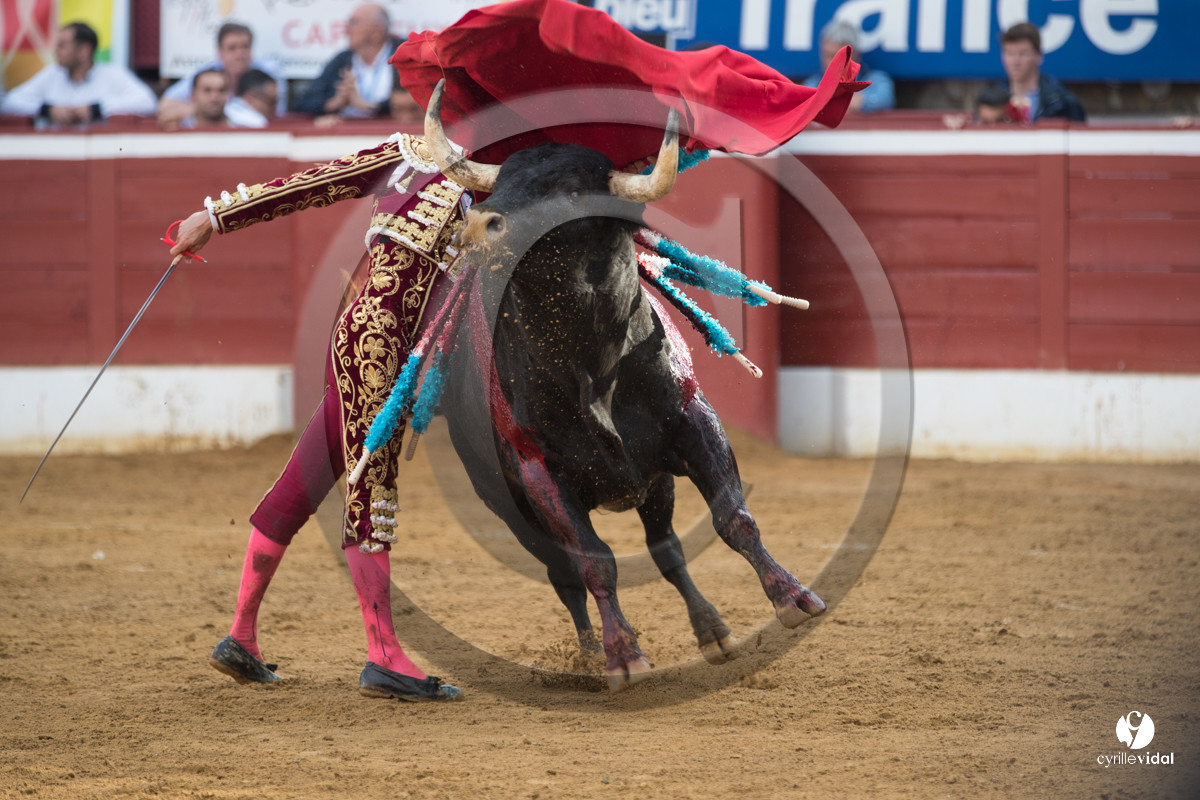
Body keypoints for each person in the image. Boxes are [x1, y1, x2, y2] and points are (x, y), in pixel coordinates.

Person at [169, 130, 468, 701]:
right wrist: (216, 216)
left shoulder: (509, 178)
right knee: (369, 483)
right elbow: (312, 185)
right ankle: (383, 656)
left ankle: (241, 638)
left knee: (304, 481)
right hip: (375, 343)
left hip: (394, 349)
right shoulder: (413, 153)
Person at [0, 22, 156, 126]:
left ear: (84, 51)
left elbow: (148, 102)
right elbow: (9, 103)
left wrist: (97, 109)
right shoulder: (52, 74)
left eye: (63, 46)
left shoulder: (112, 74)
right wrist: (48, 110)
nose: (56, 51)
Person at [158, 22, 287, 130]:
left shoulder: (267, 74)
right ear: (220, 52)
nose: (240, 54)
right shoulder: (207, 74)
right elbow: (165, 107)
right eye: (232, 48)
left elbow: (276, 113)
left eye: (245, 47)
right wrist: (204, 108)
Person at [295, 4, 401, 121]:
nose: (346, 29)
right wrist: (333, 104)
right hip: (347, 137)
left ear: (377, 32)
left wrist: (372, 107)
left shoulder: (404, 55)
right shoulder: (342, 60)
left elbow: (416, 102)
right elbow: (302, 103)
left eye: (354, 23)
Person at [993, 21, 1085, 122]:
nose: (1016, 61)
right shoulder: (992, 101)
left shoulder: (1063, 103)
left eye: (1023, 53)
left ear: (1039, 56)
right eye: (1009, 53)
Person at [800, 19, 894, 114]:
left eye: (838, 56)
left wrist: (827, 102)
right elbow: (804, 105)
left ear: (856, 54)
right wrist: (851, 103)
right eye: (827, 55)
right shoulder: (812, 83)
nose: (831, 62)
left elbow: (883, 100)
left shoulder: (877, 80)